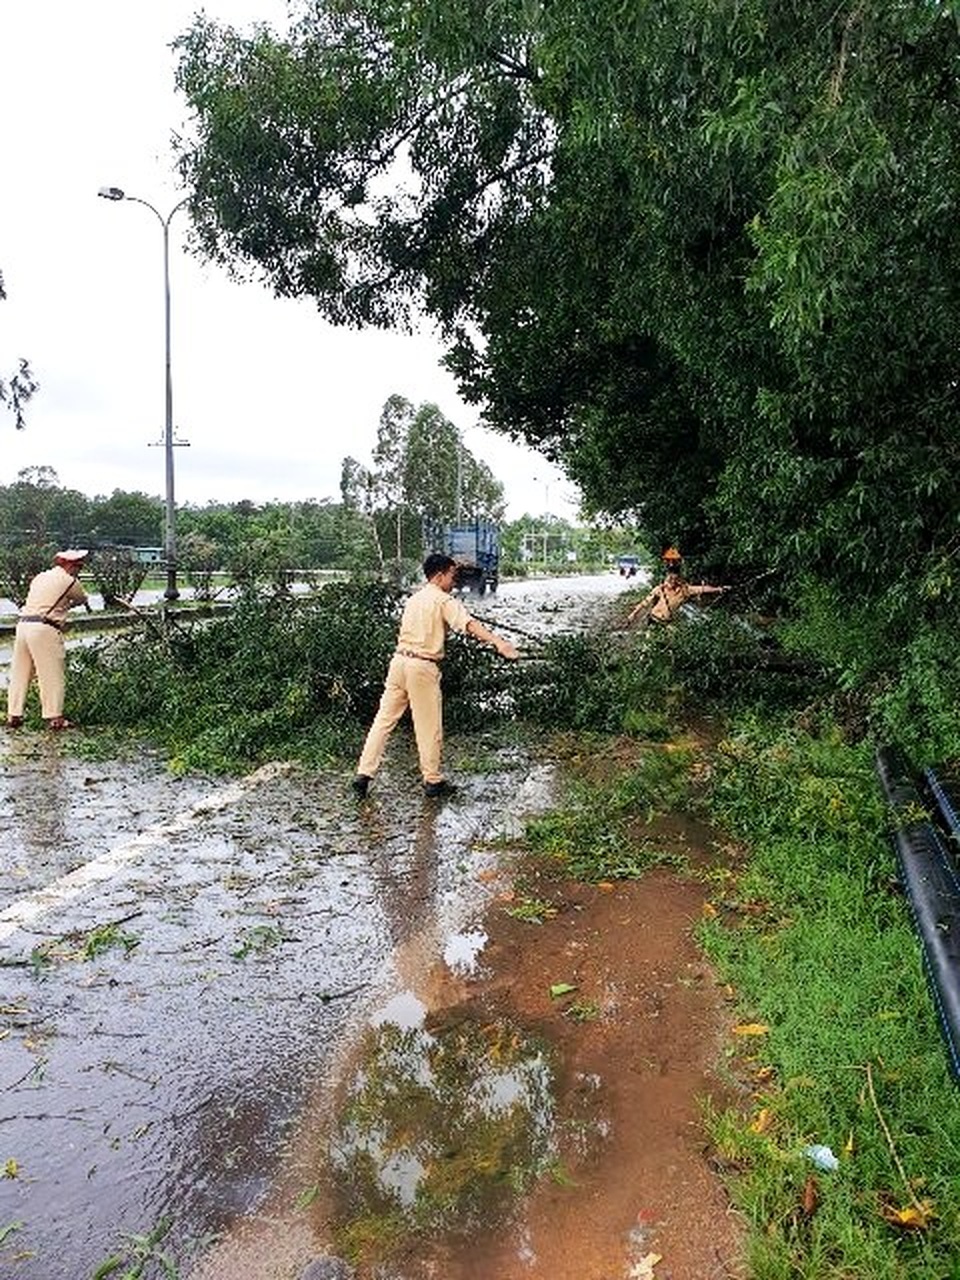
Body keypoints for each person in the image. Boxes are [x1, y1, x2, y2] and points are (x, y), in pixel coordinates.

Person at [353, 552, 520, 798]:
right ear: (440, 575)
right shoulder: (444, 601)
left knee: (383, 721)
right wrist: (499, 643)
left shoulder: (414, 599)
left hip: (399, 663)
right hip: (422, 666)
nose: (455, 581)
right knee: (428, 725)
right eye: (452, 575)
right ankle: (433, 781)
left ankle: (363, 774)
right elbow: (469, 625)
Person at [6, 548, 91, 730]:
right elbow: (81, 598)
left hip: (23, 626)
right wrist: (71, 602)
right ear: (70, 565)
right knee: (51, 674)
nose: (79, 569)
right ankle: (55, 718)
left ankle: (14, 714)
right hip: (44, 629)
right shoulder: (70, 581)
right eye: (78, 565)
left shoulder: (40, 577)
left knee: (21, 672)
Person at [626, 547, 726, 627]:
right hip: (653, 619)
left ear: (678, 580)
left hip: (666, 623)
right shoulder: (660, 589)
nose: (671, 582)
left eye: (674, 580)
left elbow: (702, 589)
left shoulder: (685, 590)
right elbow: (645, 603)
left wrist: (718, 589)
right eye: (669, 579)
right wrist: (633, 614)